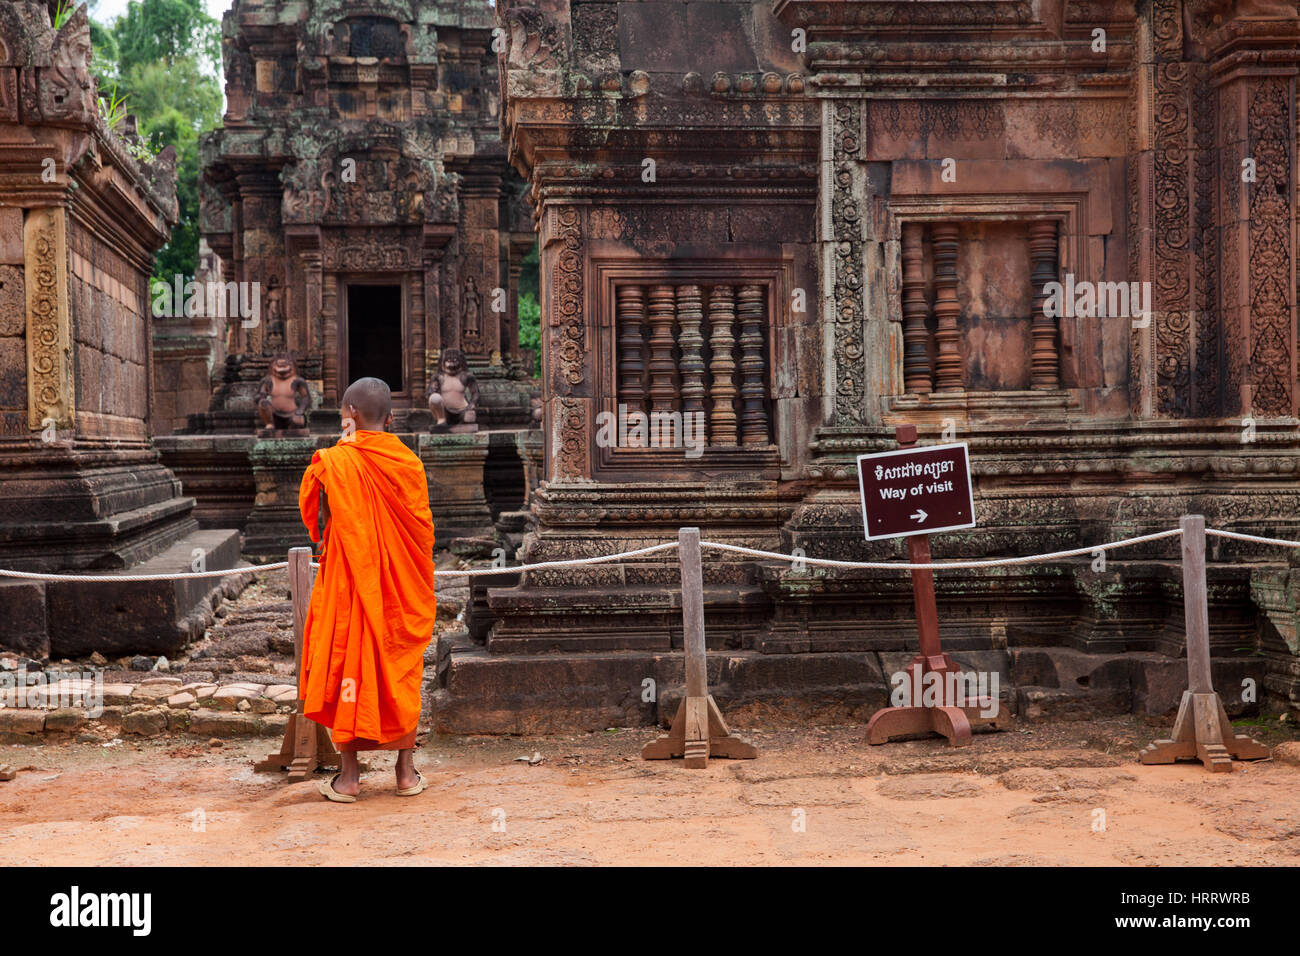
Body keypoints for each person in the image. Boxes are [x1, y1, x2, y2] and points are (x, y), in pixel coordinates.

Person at [297, 377, 437, 802]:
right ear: (391, 418)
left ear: (349, 415)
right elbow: (422, 531)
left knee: (348, 664)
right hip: (400, 590)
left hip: (352, 584)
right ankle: (405, 773)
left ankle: (351, 776)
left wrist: (344, 446)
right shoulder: (408, 463)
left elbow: (320, 522)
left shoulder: (334, 462)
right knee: (400, 665)